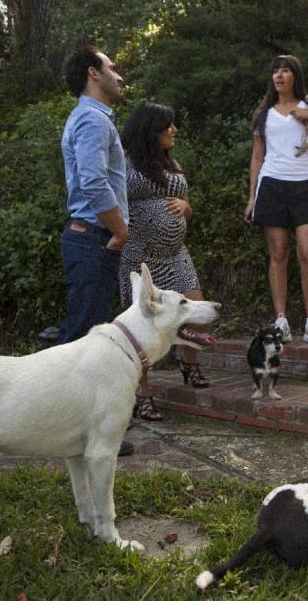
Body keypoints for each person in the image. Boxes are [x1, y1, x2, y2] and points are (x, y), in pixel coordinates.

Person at [57, 45, 134, 456]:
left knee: (87, 338)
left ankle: (85, 434)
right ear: (94, 73)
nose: (119, 75)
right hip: (93, 238)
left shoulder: (94, 119)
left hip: (93, 237)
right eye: (112, 67)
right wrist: (120, 231)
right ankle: (65, 432)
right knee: (81, 343)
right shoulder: (90, 119)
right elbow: (92, 181)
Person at [118, 103, 211, 421]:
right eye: (167, 125)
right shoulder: (125, 162)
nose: (174, 130)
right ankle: (144, 394)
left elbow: (188, 208)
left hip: (175, 255)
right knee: (140, 325)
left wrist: (186, 206)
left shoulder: (171, 162)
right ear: (150, 130)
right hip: (140, 255)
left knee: (196, 311)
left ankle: (190, 363)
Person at [244, 55, 308, 345]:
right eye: (275, 71)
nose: (279, 76)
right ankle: (280, 320)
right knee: (278, 253)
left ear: (296, 75)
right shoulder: (263, 113)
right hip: (272, 184)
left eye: (285, 71)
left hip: (306, 182)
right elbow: (257, 156)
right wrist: (251, 196)